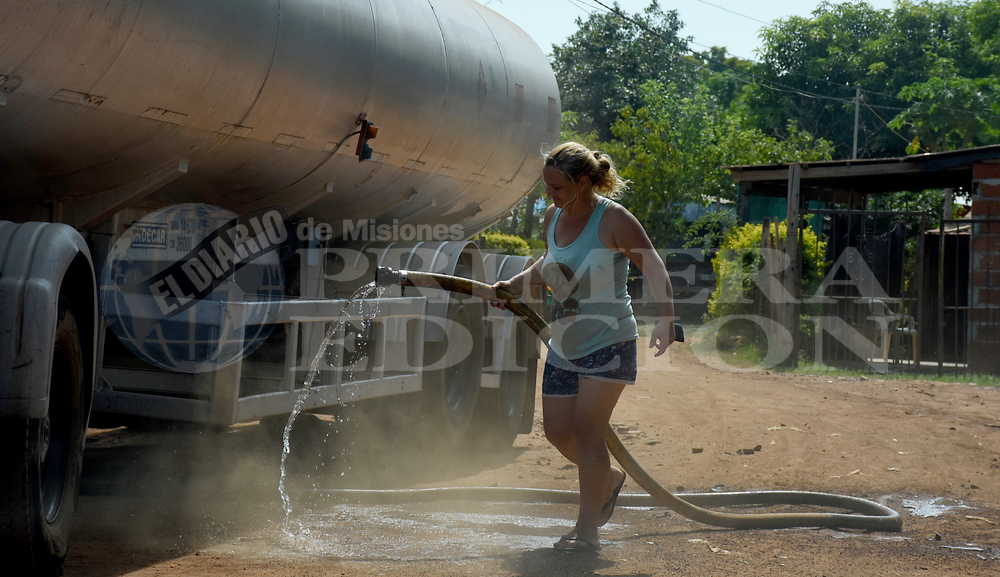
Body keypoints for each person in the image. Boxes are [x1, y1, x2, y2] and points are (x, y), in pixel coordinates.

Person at [491, 142, 676, 552]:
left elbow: (654, 266)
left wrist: (666, 318)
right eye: (547, 187)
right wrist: (516, 286)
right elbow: (548, 263)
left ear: (583, 182)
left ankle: (587, 529)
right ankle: (606, 481)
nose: (550, 196)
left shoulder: (613, 220)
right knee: (559, 432)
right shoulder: (554, 218)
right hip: (565, 343)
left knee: (589, 433)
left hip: (609, 342)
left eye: (557, 187)